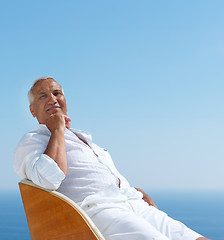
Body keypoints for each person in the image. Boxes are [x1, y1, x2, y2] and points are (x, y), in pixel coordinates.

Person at [13, 76, 210, 240]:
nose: (52, 99)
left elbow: (98, 178)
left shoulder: (86, 140)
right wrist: (57, 129)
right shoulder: (33, 140)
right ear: (32, 110)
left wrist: (134, 191)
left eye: (57, 93)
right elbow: (48, 179)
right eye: (43, 96)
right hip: (100, 209)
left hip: (132, 203)